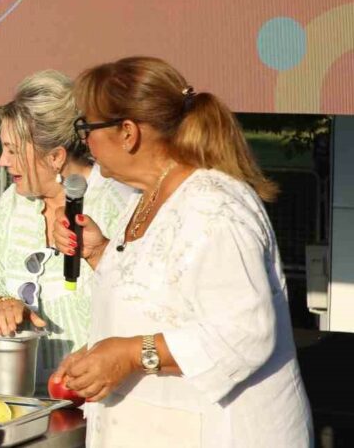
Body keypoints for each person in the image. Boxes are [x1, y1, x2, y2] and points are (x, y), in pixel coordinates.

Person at [51, 56, 312, 447]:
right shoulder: (148, 196)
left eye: (87, 128)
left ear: (127, 133)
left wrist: (128, 354)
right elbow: (163, 296)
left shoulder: (214, 207)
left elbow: (245, 331)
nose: (84, 142)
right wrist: (99, 253)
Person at [0, 70, 137, 390]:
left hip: (101, 395)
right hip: (18, 395)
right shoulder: (12, 204)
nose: (2, 161)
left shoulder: (116, 204)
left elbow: (142, 305)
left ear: (55, 157)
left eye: (13, 150)